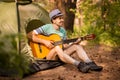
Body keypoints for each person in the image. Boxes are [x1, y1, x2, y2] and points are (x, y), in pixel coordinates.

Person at [27, 9, 103, 73]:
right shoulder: (47, 27)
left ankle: (89, 63)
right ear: (53, 20)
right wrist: (44, 42)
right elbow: (30, 35)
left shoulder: (63, 31)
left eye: (62, 18)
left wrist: (73, 43)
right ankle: (79, 64)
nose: (62, 20)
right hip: (48, 56)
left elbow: (64, 45)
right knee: (57, 48)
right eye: (59, 18)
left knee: (77, 46)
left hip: (60, 54)